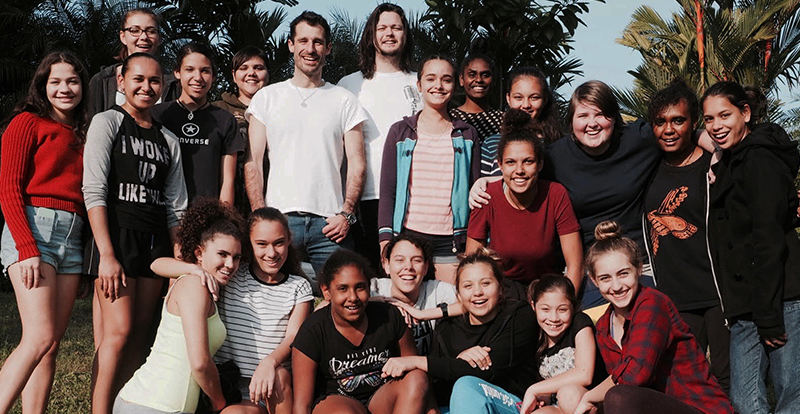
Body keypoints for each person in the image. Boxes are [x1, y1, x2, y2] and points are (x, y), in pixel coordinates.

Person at [83, 52, 188, 414]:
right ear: (122, 81)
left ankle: (121, 407)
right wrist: (107, 254)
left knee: (142, 334)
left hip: (154, 245)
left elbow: (176, 208)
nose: (146, 86)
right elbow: (93, 190)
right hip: (116, 239)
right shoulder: (108, 122)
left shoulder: (168, 140)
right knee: (118, 333)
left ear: (163, 86)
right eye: (138, 79)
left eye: (154, 81)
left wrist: (178, 260)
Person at [245, 11, 368, 290]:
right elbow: (252, 162)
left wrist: (347, 214)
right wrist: (259, 215)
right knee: (272, 300)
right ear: (291, 45)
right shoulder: (267, 98)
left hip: (331, 226)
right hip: (279, 221)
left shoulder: (344, 100)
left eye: (318, 42)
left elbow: (357, 162)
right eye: (303, 41)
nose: (310, 49)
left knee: (341, 302)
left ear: (328, 48)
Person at [152, 206, 314, 414]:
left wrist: (269, 362)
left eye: (279, 243)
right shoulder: (232, 273)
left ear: (289, 241)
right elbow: (157, 265)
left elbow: (293, 335)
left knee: (280, 376)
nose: (271, 253)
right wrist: (193, 269)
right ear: (249, 245)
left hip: (270, 384)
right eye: (262, 244)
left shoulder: (298, 286)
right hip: (226, 385)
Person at [702, 81, 800, 414]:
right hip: (745, 306)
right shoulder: (730, 161)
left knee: (790, 394)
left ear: (745, 113)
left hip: (780, 300)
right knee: (744, 398)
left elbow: (768, 238)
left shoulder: (761, 160)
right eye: (709, 119)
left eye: (724, 115)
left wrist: (770, 317)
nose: (716, 126)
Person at [0, 51, 89, 414]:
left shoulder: (85, 132)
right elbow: (8, 189)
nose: (64, 88)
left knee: (51, 344)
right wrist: (26, 247)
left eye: (72, 81)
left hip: (74, 235)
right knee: (37, 337)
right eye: (55, 81)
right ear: (43, 85)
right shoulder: (26, 123)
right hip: (34, 229)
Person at [574, 221, 732, 414]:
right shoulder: (603, 327)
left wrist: (589, 397)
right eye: (605, 278)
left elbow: (635, 376)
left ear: (639, 269)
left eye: (623, 274)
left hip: (698, 408)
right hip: (651, 407)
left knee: (617, 396)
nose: (616, 286)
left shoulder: (652, 303)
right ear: (593, 280)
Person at [114, 198, 243, 414]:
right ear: (199, 253)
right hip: (158, 407)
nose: (230, 264)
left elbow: (157, 265)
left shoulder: (197, 283)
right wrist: (219, 403)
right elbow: (200, 362)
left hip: (146, 403)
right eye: (222, 254)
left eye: (236, 257)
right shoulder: (195, 285)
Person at [643, 79, 729, 394]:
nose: (669, 129)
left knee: (725, 380)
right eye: (660, 122)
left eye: (678, 120)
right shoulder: (649, 167)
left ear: (692, 123)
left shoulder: (715, 165)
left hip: (719, 293)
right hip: (675, 297)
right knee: (687, 386)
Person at [380, 249, 540, 413]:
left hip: (511, 404)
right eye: (468, 286)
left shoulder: (518, 315)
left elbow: (488, 370)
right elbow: (439, 384)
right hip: (458, 407)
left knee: (466, 386)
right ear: (459, 294)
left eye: (486, 283)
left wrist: (416, 361)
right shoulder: (447, 327)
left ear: (500, 287)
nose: (477, 292)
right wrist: (459, 360)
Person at [378, 55, 481, 284]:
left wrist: (472, 244)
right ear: (419, 85)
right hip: (408, 236)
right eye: (431, 78)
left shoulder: (467, 134)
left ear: (454, 86)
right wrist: (386, 239)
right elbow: (388, 190)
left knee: (451, 307)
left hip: (451, 241)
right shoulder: (400, 132)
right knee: (406, 308)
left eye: (446, 80)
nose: (438, 86)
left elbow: (475, 194)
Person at [292, 250, 429, 414]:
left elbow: (413, 366)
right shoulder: (312, 331)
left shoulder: (389, 316)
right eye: (343, 289)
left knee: (417, 378)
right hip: (336, 401)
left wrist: (432, 408)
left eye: (360, 287)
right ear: (326, 291)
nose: (353, 297)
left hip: (382, 398)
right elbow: (301, 405)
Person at [338, 3, 420, 271]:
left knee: (408, 273)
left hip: (412, 194)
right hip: (365, 197)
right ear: (371, 34)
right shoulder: (349, 85)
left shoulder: (419, 83)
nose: (389, 33)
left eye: (396, 27)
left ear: (405, 35)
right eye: (382, 27)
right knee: (368, 275)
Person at [466, 109, 582, 297]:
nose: (519, 170)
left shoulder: (555, 194)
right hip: (503, 291)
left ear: (540, 164)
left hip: (548, 288)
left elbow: (575, 264)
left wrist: (566, 304)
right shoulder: (486, 197)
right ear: (500, 165)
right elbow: (471, 264)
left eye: (528, 161)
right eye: (511, 162)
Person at [153, 42, 243, 204]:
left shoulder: (225, 120)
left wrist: (224, 220)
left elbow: (227, 181)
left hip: (207, 217)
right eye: (189, 70)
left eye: (205, 71)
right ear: (177, 73)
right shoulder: (157, 115)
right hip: (162, 215)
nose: (198, 78)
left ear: (214, 76)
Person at [519, 275, 602, 414]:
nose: (554, 318)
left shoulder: (579, 323)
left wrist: (535, 389)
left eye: (562, 310)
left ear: (573, 307)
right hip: (557, 406)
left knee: (568, 395)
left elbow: (585, 374)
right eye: (545, 309)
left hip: (589, 400)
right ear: (533, 306)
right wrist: (542, 395)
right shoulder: (534, 336)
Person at [372, 234, 457, 355]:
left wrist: (424, 314)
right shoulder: (375, 289)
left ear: (426, 267)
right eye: (399, 260)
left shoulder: (436, 290)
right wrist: (378, 301)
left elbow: (473, 302)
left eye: (417, 260)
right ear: (386, 265)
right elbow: (340, 303)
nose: (408, 267)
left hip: (427, 369)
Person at [88, 7, 178, 118]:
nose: (144, 37)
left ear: (159, 38)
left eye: (151, 31)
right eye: (135, 31)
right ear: (123, 36)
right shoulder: (102, 81)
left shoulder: (173, 85)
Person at [213, 46, 270, 217]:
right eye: (243, 68)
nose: (251, 73)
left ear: (267, 74)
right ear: (233, 75)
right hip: (228, 199)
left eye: (258, 68)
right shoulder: (218, 110)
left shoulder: (279, 110)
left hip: (269, 200)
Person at [449, 53, 504, 177]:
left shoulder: (503, 119)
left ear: (493, 80)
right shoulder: (450, 118)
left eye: (485, 75)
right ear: (462, 80)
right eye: (472, 74)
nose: (479, 80)